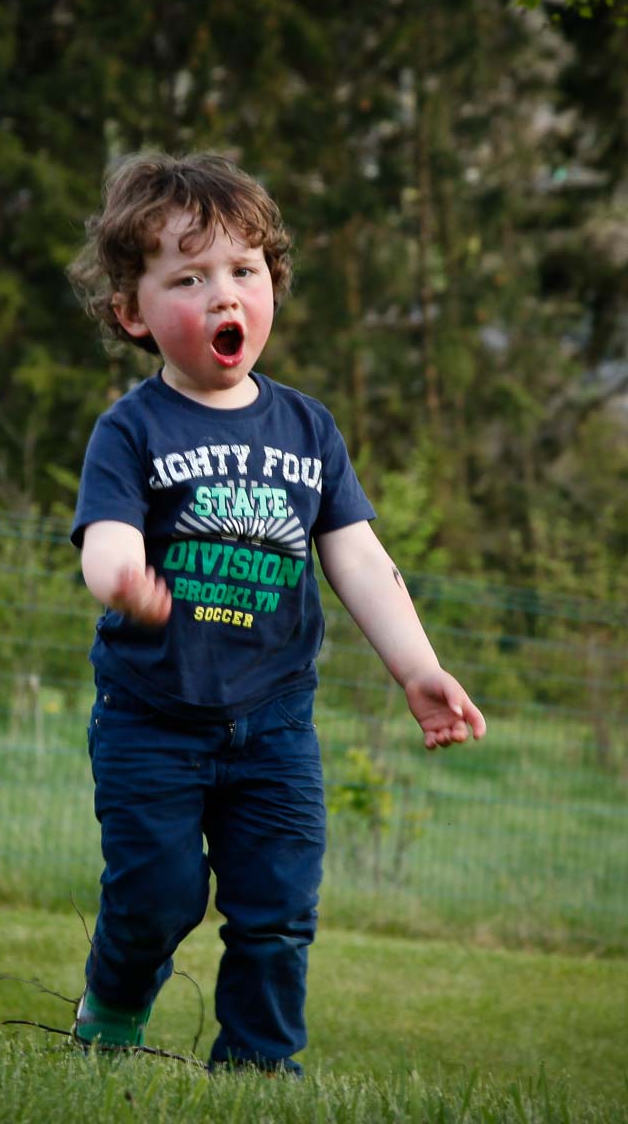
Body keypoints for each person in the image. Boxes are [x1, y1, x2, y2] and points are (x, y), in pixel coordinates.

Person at [67, 152, 485, 1075]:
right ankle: (114, 1003)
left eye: (244, 271)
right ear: (134, 313)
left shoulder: (308, 430)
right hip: (153, 722)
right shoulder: (132, 431)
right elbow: (103, 536)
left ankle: (257, 1070)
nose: (225, 295)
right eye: (190, 277)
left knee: (278, 908)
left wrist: (419, 670)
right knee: (158, 896)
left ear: (272, 287)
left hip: (277, 727)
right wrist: (124, 579)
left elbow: (362, 560)